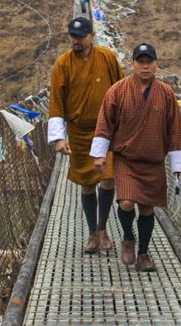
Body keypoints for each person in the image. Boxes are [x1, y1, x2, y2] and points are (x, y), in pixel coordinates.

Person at [91, 43, 181, 272]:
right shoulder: (117, 90)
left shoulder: (166, 94)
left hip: (153, 161)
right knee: (125, 202)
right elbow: (105, 122)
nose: (145, 67)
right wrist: (99, 154)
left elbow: (175, 129)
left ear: (156, 65)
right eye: (140, 62)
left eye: (149, 62)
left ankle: (143, 253)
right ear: (132, 64)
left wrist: (177, 163)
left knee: (147, 209)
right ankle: (127, 236)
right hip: (126, 158)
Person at [49, 16, 125, 253]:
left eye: (81, 36)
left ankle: (102, 228)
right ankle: (92, 233)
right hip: (79, 133)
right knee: (86, 184)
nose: (77, 40)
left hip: (107, 130)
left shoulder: (107, 58)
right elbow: (56, 102)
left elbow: (122, 90)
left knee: (108, 178)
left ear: (92, 36)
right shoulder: (62, 64)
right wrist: (59, 137)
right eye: (73, 36)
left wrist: (127, 125)